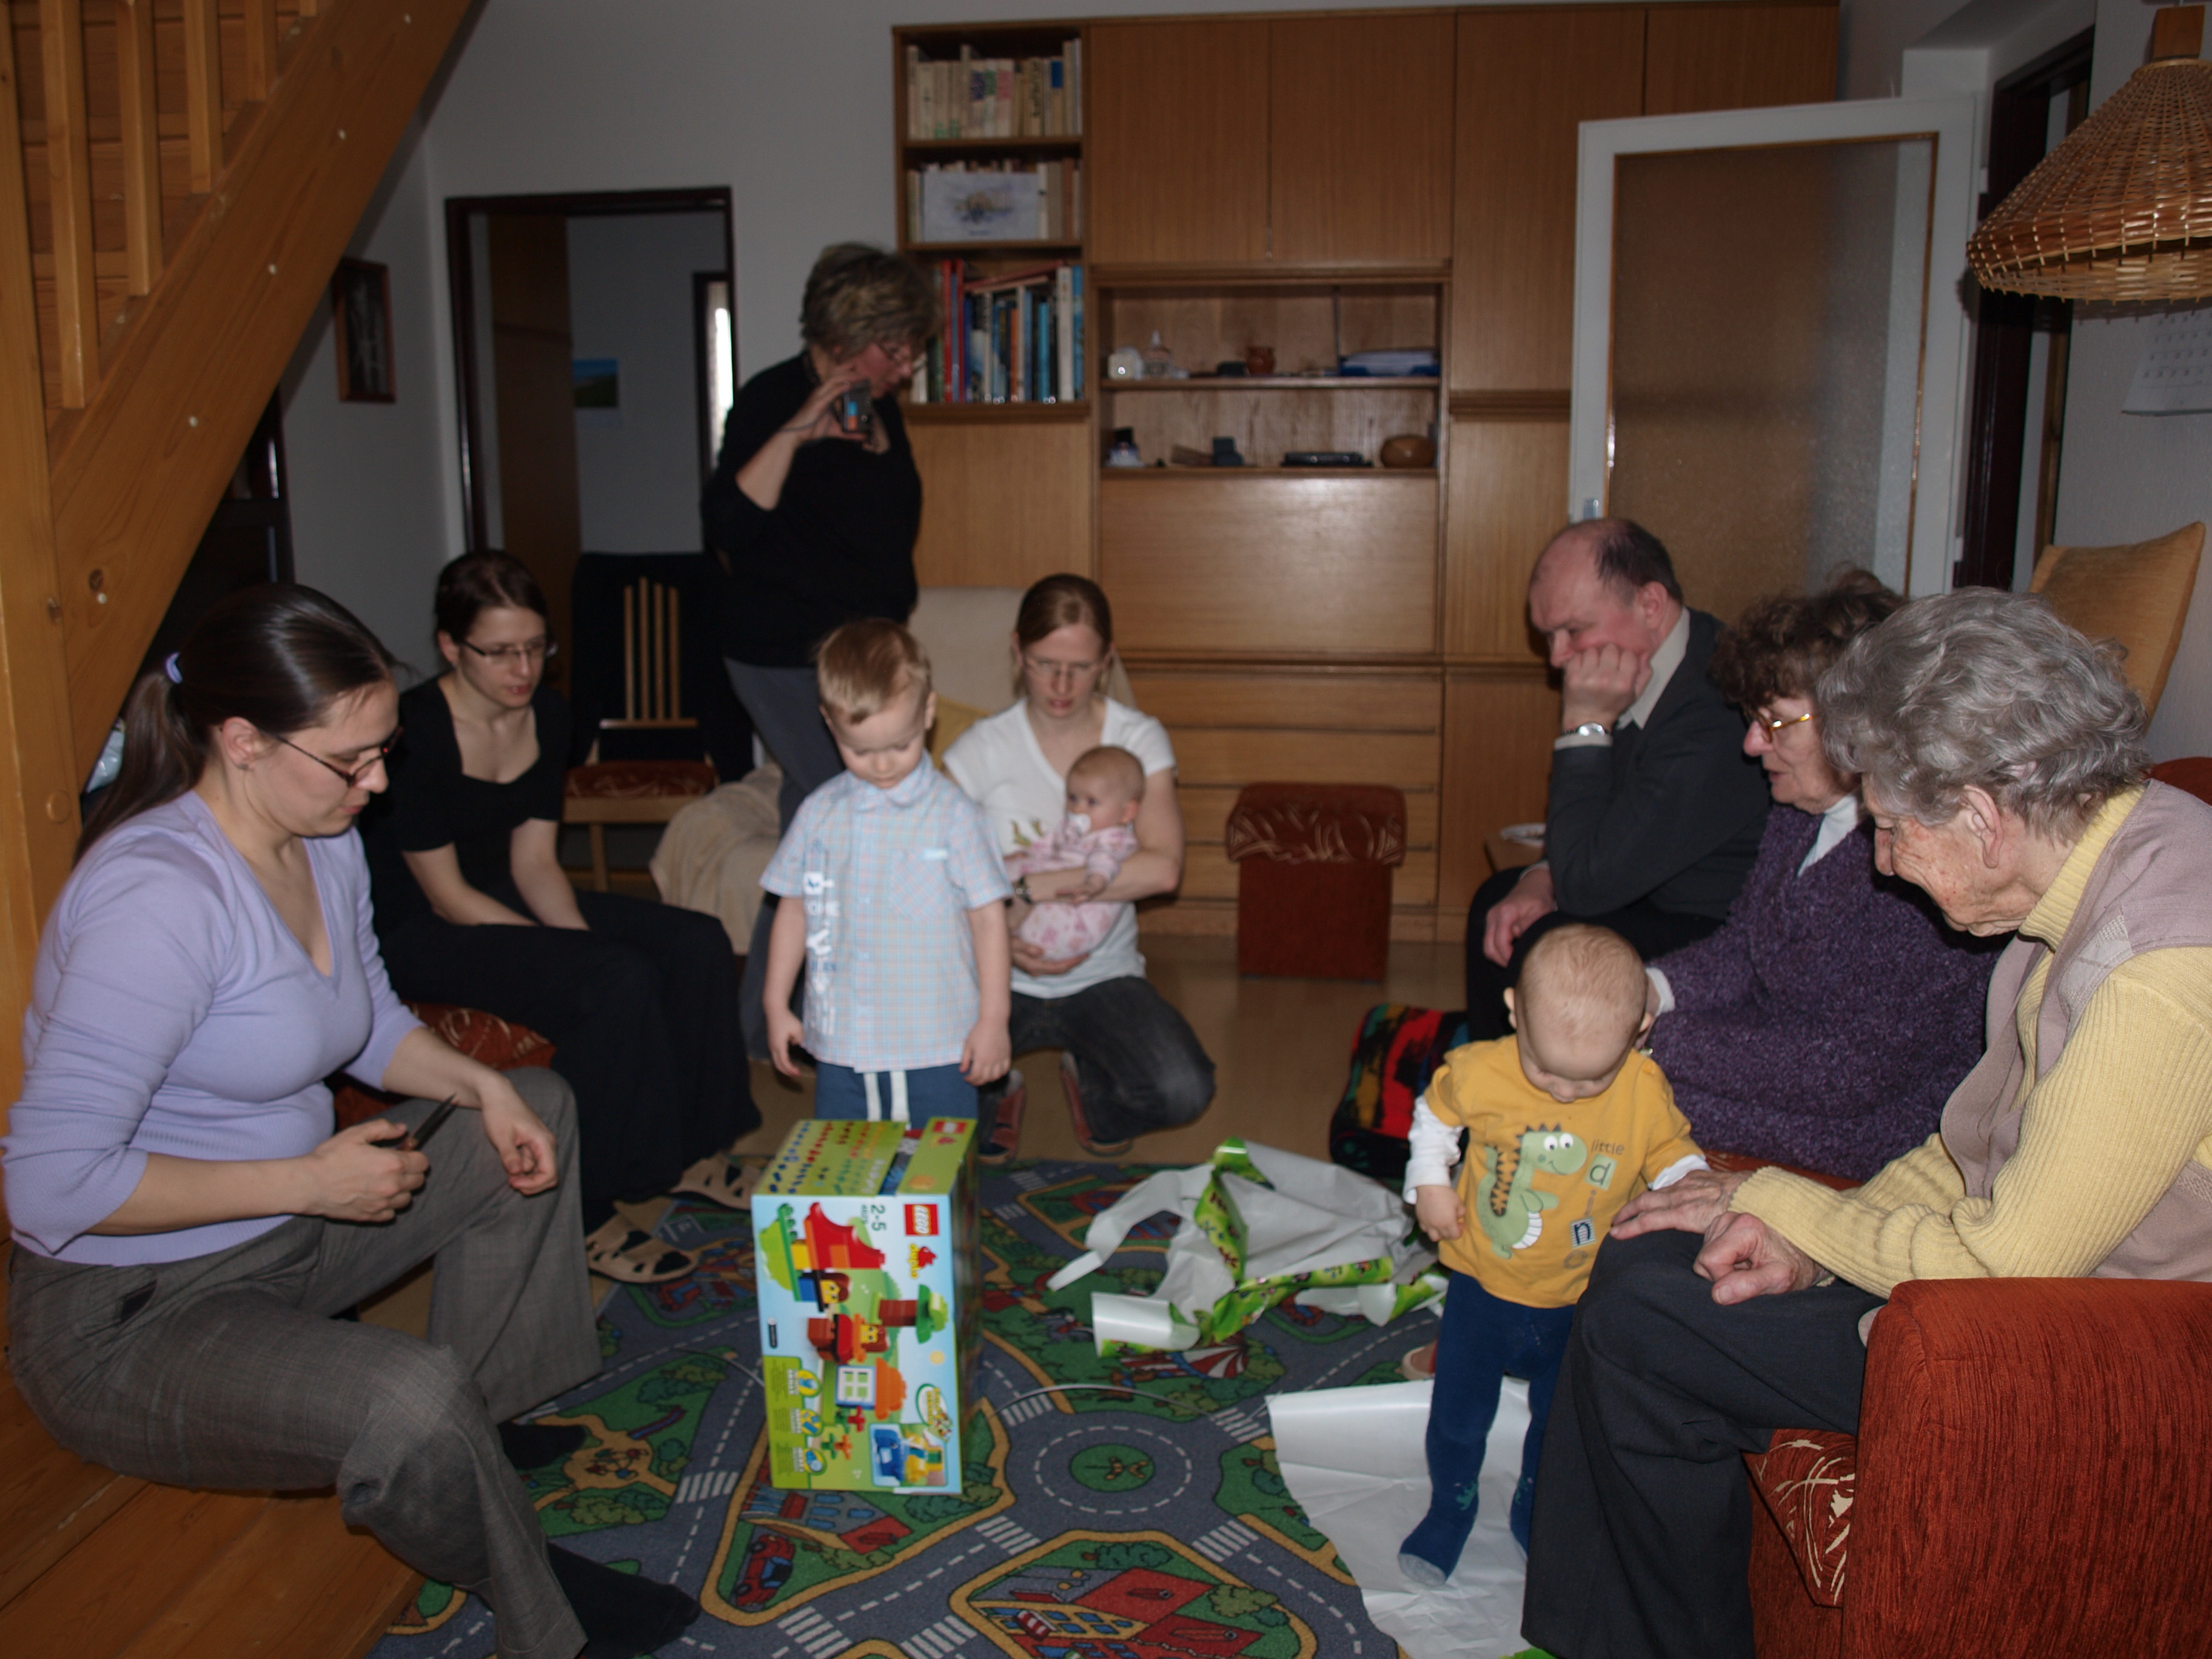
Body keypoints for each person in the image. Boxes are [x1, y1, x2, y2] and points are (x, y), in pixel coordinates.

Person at [1, 586, 700, 1659]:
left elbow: (367, 1022)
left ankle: (483, 1427)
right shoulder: (157, 899)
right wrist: (306, 1183)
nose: (376, 784)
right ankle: (543, 1617)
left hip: (288, 1233)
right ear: (243, 741)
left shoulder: (320, 836)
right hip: (131, 1312)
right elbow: (47, 1186)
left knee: (541, 1105)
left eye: (383, 753)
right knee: (408, 1397)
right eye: (351, 761)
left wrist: (483, 1086)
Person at [1521, 588, 2212, 1659]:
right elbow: (1971, 1144)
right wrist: (1803, 1233)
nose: (1882, 861)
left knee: (1642, 1323)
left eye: (1889, 828)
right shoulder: (2105, 851)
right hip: (2026, 1286)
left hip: (2094, 1349)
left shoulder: (2152, 972)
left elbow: (2004, 1262)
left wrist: (1781, 1199)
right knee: (1653, 1262)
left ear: (1980, 815)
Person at [364, 552, 757, 1285]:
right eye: (499, 652)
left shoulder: (548, 713)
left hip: (502, 893)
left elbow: (537, 862)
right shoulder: (415, 731)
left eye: (536, 648)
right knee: (611, 979)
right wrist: (576, 956)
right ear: (451, 647)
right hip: (421, 928)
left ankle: (689, 1151)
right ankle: (582, 1209)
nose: (523, 669)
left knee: (696, 940)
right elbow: (448, 897)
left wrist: (576, 939)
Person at [1643, 570, 2001, 1179]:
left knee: (1610, 1096)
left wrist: (1654, 1040)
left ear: (1856, 722)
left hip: (1873, 1134)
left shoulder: (1918, 856)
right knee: (1599, 1078)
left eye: (1776, 722)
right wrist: (1647, 991)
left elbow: (1851, 1072)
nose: (1752, 745)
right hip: (1781, 1070)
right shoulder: (1803, 812)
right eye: (1753, 719)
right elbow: (1744, 948)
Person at [1399, 925, 1705, 1583]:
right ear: (1514, 1012)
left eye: (1591, 1080)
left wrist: (1696, 1189)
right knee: (1458, 1416)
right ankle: (1450, 1507)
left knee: (1560, 1422)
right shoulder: (1481, 1069)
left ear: (1640, 1030)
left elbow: (1672, 1153)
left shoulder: (1643, 1089)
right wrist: (1428, 1180)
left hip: (1579, 1296)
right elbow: (1435, 1116)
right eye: (1544, 1071)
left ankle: (1537, 1506)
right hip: (1482, 1284)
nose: (1564, 1094)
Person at [701, 243, 938, 1059]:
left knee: (814, 820)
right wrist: (801, 431)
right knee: (842, 809)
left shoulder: (879, 408)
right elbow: (729, 526)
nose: (905, 368)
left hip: (859, 653)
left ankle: (775, 1020)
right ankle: (788, 1018)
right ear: (844, 337)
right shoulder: (772, 397)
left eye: (912, 351)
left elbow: (888, 525)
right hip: (780, 654)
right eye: (893, 350)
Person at [943, 574, 1216, 1162]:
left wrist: (1032, 888)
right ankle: (999, 1092)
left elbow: (1163, 870)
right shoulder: (980, 749)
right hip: (995, 975)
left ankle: (1092, 1088)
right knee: (929, 1093)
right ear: (1017, 652)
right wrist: (996, 938)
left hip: (1103, 976)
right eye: (1045, 665)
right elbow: (936, 877)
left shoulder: (1138, 739)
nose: (1062, 685)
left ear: (1107, 660)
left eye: (1081, 668)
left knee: (1183, 1090)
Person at [1464, 519, 1771, 1038]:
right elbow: (1604, 833)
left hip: (1716, 930)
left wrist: (1584, 726)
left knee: (1548, 945)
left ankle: (1537, 1079)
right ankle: (1493, 1073)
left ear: (1650, 605)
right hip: (1645, 886)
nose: (1558, 658)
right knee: (1499, 903)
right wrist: (1540, 876)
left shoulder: (1715, 709)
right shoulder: (1650, 668)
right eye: (1549, 636)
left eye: (1574, 630)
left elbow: (1588, 887)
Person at [760, 620, 1012, 1121]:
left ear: (928, 713)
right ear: (830, 724)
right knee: (847, 1160)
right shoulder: (818, 813)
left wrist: (994, 1019)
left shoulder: (955, 816)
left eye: (900, 745)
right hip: (843, 1043)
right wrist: (774, 1002)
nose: (882, 766)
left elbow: (989, 920)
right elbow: (794, 907)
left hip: (936, 1042)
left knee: (935, 1161)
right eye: (860, 751)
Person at [1005, 743, 1146, 962]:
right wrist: (1027, 854)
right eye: (1073, 798)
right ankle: (1004, 920)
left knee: (1027, 884)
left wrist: (1095, 882)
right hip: (1052, 896)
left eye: (1092, 802)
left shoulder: (1116, 839)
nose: (1078, 809)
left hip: (1077, 922)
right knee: (1009, 868)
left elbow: (1105, 859)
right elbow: (1050, 845)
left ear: (1126, 812)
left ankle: (1014, 925)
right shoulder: (1071, 828)